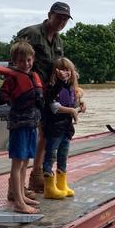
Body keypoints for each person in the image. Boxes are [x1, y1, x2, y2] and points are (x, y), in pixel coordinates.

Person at [13, 1, 85, 192]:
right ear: (49, 15)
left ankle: (36, 177)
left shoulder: (59, 40)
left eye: (65, 19)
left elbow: (62, 67)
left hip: (49, 95)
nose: (61, 21)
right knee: (29, 139)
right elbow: (16, 62)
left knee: (46, 135)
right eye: (58, 17)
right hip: (31, 95)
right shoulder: (32, 34)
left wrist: (74, 91)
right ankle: (17, 188)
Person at [0, 41, 43, 214]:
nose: (26, 64)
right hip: (19, 126)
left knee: (26, 162)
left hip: (32, 125)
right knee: (17, 163)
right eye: (22, 61)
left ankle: (21, 195)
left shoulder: (33, 77)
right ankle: (18, 202)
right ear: (14, 62)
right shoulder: (12, 80)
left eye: (29, 60)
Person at [41, 57, 84, 199]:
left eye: (68, 70)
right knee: (50, 155)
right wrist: (71, 111)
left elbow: (73, 105)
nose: (65, 73)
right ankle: (49, 187)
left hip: (66, 128)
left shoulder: (71, 88)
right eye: (62, 70)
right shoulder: (51, 88)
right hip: (54, 128)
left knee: (63, 155)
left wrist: (80, 106)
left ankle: (62, 184)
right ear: (55, 72)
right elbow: (54, 107)